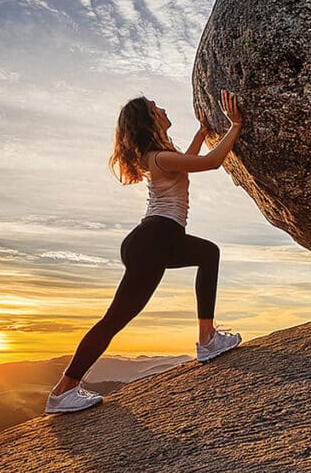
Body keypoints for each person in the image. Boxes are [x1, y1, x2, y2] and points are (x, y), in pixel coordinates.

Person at [45, 89, 244, 414]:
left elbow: (187, 165)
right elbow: (209, 163)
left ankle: (207, 339)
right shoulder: (158, 157)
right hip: (156, 239)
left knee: (207, 254)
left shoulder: (161, 156)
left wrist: (202, 132)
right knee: (115, 319)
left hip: (154, 240)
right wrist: (235, 125)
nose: (162, 107)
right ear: (149, 120)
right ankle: (62, 392)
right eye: (155, 106)